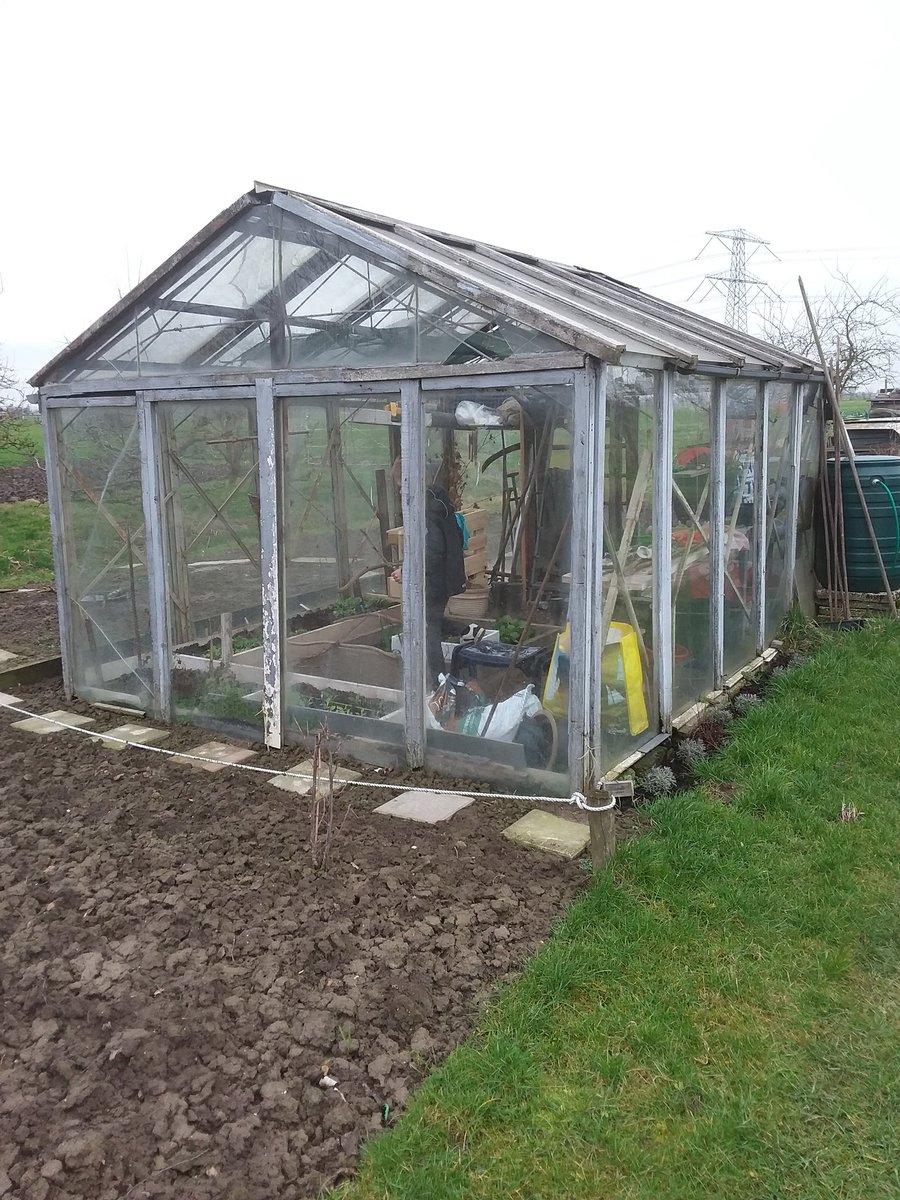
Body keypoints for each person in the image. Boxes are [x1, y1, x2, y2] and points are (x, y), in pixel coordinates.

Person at [391, 458, 467, 687]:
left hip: (433, 579)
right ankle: (469, 630)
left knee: (428, 631)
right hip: (443, 577)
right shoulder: (436, 499)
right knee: (431, 619)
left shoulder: (426, 507)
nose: (401, 492)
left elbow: (432, 551)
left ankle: (439, 683)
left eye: (402, 486)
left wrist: (408, 571)